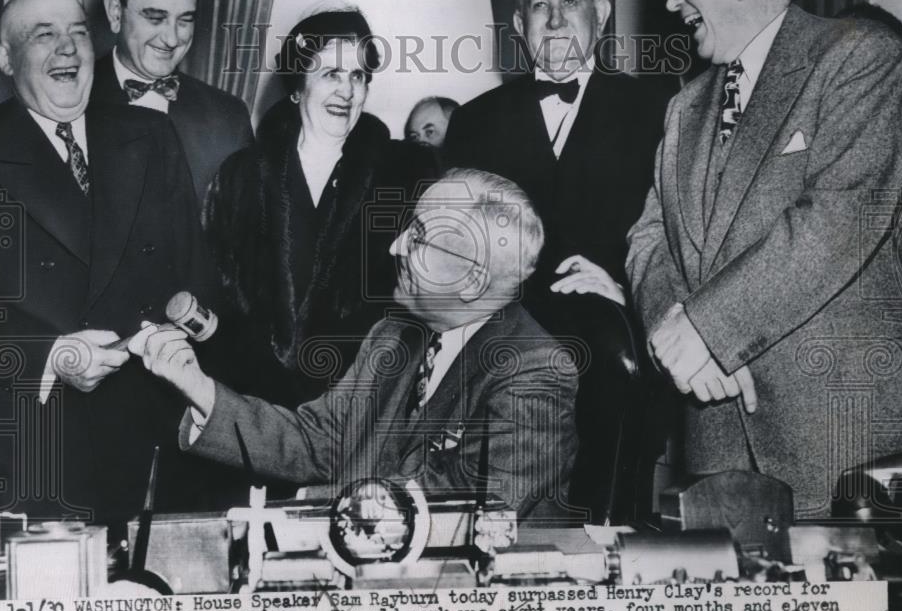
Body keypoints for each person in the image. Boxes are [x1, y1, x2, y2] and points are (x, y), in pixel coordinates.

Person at [626, 0, 902, 517]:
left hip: (842, 457)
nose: (672, 2)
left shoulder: (858, 56)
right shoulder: (685, 107)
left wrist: (711, 330)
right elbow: (650, 236)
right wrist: (672, 331)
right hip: (716, 458)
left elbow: (836, 220)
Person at [131, 169, 579, 520]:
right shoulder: (394, 336)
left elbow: (475, 508)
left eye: (419, 236)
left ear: (472, 279)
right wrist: (198, 387)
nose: (396, 247)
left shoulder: (535, 369)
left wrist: (312, 508)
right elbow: (318, 443)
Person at [0, 0, 214, 533]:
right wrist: (51, 355)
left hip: (151, 435)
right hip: (36, 446)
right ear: (6, 59)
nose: (68, 48)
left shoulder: (150, 134)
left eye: (78, 32)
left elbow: (195, 275)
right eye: (44, 35)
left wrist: (187, 328)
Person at [445, 0, 669, 522]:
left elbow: (681, 235)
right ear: (518, 26)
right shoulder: (474, 122)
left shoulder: (661, 109)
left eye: (570, 2)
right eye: (537, 6)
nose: (554, 19)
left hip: (617, 367)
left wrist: (624, 287)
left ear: (602, 10)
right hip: (508, 371)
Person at [202, 8, 436, 413]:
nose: (347, 91)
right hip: (254, 407)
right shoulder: (240, 178)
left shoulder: (404, 177)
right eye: (331, 74)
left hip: (363, 408)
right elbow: (217, 296)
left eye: (358, 76)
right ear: (298, 85)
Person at [92, 0, 254, 204]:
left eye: (185, 20)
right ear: (114, 12)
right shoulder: (63, 103)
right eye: (155, 17)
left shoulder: (229, 118)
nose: (171, 38)